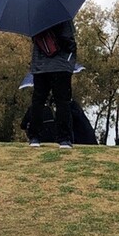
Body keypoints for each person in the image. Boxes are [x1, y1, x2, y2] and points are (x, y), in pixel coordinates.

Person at [27, 17, 77, 148]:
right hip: (60, 65)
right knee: (62, 102)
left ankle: (35, 137)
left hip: (39, 66)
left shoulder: (35, 19)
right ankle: (64, 139)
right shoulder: (62, 16)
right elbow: (67, 40)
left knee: (38, 101)